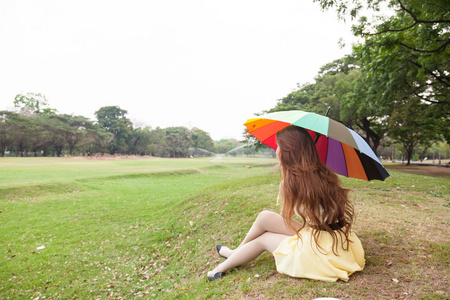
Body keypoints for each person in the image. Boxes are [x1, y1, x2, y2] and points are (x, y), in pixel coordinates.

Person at [207, 126, 365, 282]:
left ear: (288, 152)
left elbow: (285, 219)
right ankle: (234, 253)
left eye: (278, 146)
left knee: (264, 238)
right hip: (336, 239)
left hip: (319, 249)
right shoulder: (328, 176)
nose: (276, 150)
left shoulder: (289, 184)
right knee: (265, 217)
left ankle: (220, 268)